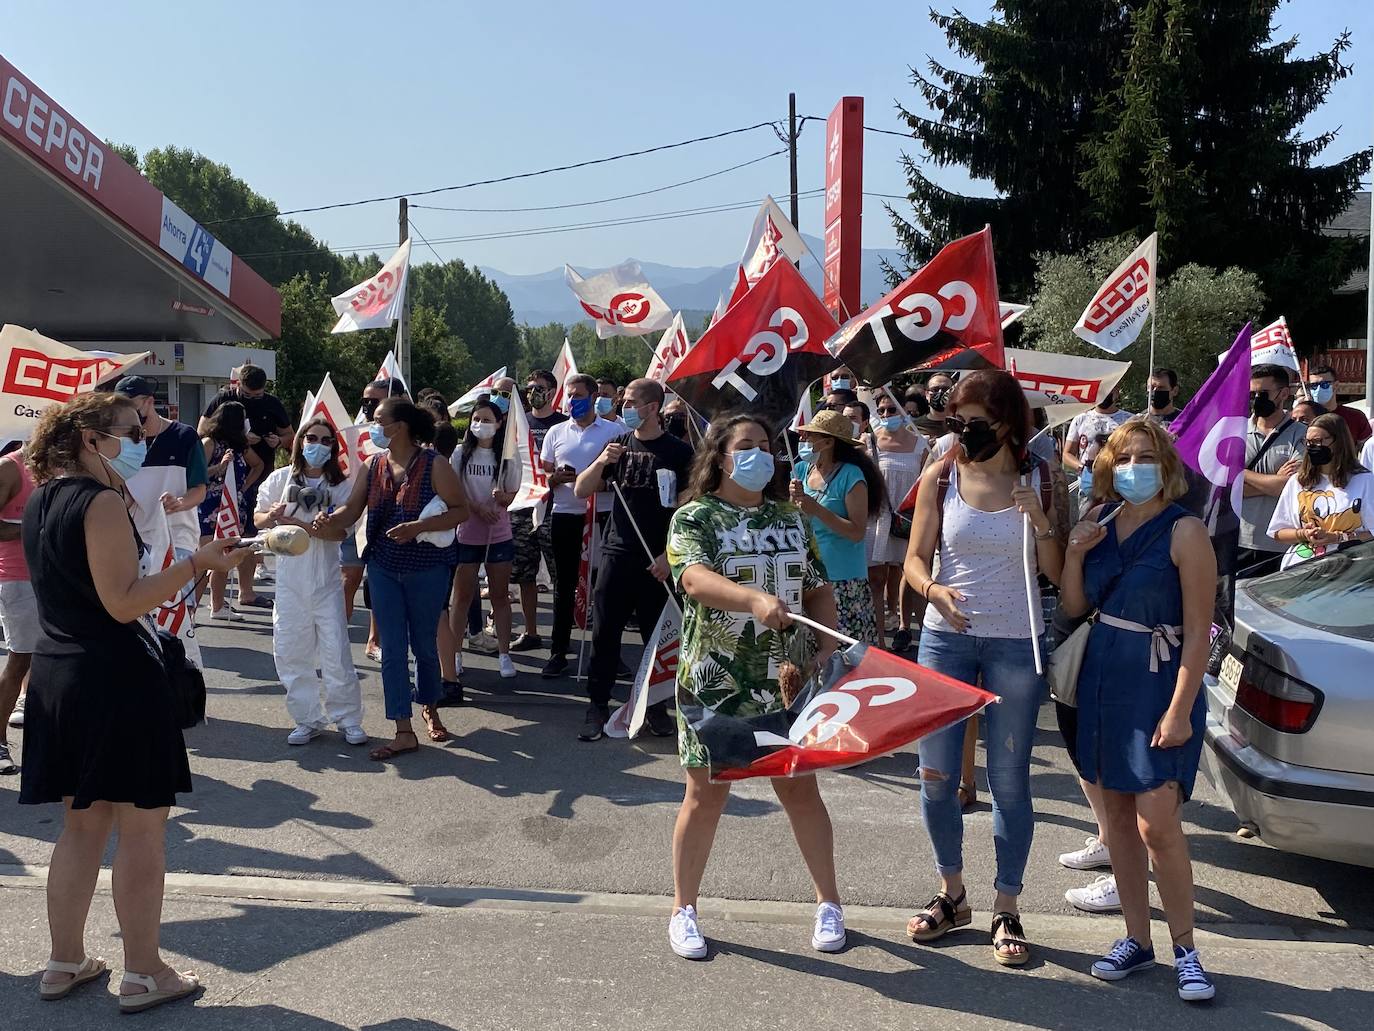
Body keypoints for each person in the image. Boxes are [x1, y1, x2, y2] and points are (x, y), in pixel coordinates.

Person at [18, 391, 242, 1012]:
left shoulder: (41, 499)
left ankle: (64, 960)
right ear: (92, 439)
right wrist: (197, 562)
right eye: (129, 429)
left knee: (81, 824)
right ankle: (144, 972)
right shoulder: (100, 503)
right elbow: (123, 601)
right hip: (113, 676)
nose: (139, 437)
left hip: (58, 672)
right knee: (143, 827)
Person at [902, 370, 1068, 967]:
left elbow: (1053, 570)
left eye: (974, 421)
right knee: (936, 777)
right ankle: (952, 894)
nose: (962, 431)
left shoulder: (1041, 477)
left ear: (1006, 423)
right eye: (956, 420)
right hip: (945, 641)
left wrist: (1040, 519)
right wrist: (933, 591)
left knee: (1010, 780)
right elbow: (915, 561)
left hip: (1015, 644)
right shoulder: (940, 475)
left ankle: (1007, 904)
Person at [664, 414, 845, 960]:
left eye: (766, 445)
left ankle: (829, 903)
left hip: (786, 683)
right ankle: (683, 909)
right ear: (720, 457)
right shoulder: (696, 516)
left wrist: (828, 647)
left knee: (800, 791)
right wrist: (753, 600)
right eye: (746, 446)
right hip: (716, 679)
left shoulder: (790, 518)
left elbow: (815, 586)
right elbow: (693, 577)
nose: (760, 455)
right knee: (707, 794)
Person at [1058, 418, 1219, 1002]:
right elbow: (1076, 605)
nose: (1134, 468)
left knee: (1158, 824)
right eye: (1124, 458)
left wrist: (1179, 712)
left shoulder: (1186, 532)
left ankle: (1187, 949)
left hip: (1158, 683)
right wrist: (1074, 554)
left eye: (1146, 456)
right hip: (1103, 676)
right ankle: (1137, 939)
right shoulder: (1099, 523)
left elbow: (1200, 633)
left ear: (1168, 465)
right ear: (1107, 466)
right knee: (1119, 822)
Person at [315, 398, 469, 761]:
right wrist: (329, 519)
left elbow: (461, 510)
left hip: (427, 568)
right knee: (393, 651)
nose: (371, 423)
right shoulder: (373, 464)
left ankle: (429, 705)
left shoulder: (436, 464)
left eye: (377, 419)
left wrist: (420, 526)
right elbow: (352, 509)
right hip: (383, 566)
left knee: (425, 646)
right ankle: (403, 728)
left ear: (398, 426)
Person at [574, 378, 693, 741]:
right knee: (605, 633)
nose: (622, 407)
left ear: (652, 407)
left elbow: (690, 505)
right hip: (617, 552)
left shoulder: (679, 452)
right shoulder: (618, 445)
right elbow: (581, 488)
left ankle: (655, 706)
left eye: (630, 401)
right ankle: (597, 705)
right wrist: (602, 464)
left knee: (657, 637)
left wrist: (667, 556)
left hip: (658, 560)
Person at [255, 419, 365, 747]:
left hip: (327, 581)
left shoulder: (342, 487)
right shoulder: (279, 479)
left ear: (333, 447)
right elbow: (258, 518)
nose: (317, 445)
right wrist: (275, 517)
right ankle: (306, 718)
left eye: (325, 440)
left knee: (336, 652)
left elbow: (340, 533)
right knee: (290, 651)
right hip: (289, 581)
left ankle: (347, 719)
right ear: (301, 441)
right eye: (311, 438)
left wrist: (306, 526)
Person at [538, 373, 622, 678]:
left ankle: (609, 654)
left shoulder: (614, 431)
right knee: (565, 585)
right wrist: (555, 479)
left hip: (604, 515)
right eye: (569, 396)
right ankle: (558, 651)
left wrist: (596, 484)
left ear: (593, 396)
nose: (572, 401)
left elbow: (623, 476)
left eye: (578, 395)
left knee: (606, 587)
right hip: (565, 514)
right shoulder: (556, 433)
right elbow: (541, 476)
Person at [198, 364, 291, 609]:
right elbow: (200, 433)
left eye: (258, 395)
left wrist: (278, 441)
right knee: (212, 547)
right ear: (239, 385)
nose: (254, 399)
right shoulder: (222, 401)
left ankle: (245, 592)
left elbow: (288, 438)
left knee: (246, 539)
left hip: (247, 488)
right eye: (249, 395)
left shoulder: (272, 404)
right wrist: (224, 459)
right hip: (213, 496)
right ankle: (205, 604)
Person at [791, 410, 884, 644]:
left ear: (828, 441)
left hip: (843, 582)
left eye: (810, 436)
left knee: (845, 655)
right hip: (808, 578)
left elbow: (856, 532)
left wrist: (817, 509)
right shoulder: (801, 471)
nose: (803, 441)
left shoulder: (851, 475)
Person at [449, 398, 521, 683]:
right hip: (467, 533)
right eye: (476, 419)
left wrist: (503, 499)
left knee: (500, 596)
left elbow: (514, 493)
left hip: (499, 534)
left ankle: (504, 654)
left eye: (487, 420)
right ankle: (454, 654)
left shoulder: (507, 457)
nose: (480, 425)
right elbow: (453, 491)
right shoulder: (459, 454)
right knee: (463, 596)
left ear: (499, 423)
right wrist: (476, 508)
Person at [508, 369, 569, 652]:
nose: (533, 392)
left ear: (553, 392)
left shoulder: (563, 425)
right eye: (530, 387)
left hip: (555, 507)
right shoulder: (518, 425)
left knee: (560, 576)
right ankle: (531, 632)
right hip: (522, 508)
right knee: (524, 574)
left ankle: (561, 635)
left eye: (540, 387)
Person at [1267, 413, 1374, 568]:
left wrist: (1337, 537)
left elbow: (1371, 532)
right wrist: (1304, 534)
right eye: (1308, 442)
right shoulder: (1298, 481)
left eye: (1317, 441)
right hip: (1302, 567)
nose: (1312, 447)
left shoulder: (1364, 480)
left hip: (1350, 570)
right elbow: (1277, 531)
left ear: (1338, 441)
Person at [865, 394, 929, 650]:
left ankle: (926, 636)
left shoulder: (921, 445)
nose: (886, 414)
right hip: (877, 519)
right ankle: (880, 641)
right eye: (881, 411)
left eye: (892, 409)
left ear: (904, 412)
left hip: (908, 518)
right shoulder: (869, 442)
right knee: (877, 580)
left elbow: (927, 485)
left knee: (914, 576)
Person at [351, 379, 404, 660]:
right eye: (365, 402)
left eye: (375, 402)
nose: (369, 408)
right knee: (362, 581)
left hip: (408, 542)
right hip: (368, 528)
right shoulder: (363, 438)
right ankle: (373, 639)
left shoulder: (421, 454)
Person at [196, 402, 265, 619]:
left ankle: (217, 606)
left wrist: (243, 487)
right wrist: (219, 467)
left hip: (233, 508)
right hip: (210, 507)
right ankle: (188, 613)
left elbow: (259, 465)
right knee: (205, 560)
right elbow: (197, 474)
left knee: (224, 559)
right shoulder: (209, 443)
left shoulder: (240, 446)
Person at [1237, 365, 1304, 578]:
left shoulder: (1301, 434)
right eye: (1253, 394)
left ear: (1284, 393)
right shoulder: (1236, 432)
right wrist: (1273, 482)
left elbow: (1290, 486)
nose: (1257, 399)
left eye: (1263, 394)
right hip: (1239, 539)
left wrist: (1241, 472)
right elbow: (1227, 486)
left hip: (1280, 544)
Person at [117, 376, 208, 517]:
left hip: (178, 532)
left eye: (131, 408)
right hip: (136, 532)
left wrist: (179, 503)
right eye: (120, 410)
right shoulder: (119, 440)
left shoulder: (184, 436)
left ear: (150, 401)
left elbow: (199, 489)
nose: (126, 415)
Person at [0, 444, 37, 775]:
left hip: (61, 579)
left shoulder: (68, 465)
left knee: (60, 661)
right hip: (19, 578)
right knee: (20, 660)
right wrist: (38, 528)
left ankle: (50, 747)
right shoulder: (10, 467)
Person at [1065, 390, 1133, 512]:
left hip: (1120, 489)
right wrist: (1083, 468)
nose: (1103, 394)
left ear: (1117, 392)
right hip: (1088, 489)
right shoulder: (1081, 419)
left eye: (1108, 390)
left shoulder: (1130, 421)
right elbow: (1067, 454)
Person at [1305, 365, 1371, 445]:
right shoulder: (1303, 418)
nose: (1319, 389)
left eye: (1324, 384)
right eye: (1314, 385)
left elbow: (1367, 449)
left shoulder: (1356, 417)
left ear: (1336, 385)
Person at [915, 371, 955, 444]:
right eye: (935, 390)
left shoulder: (960, 425)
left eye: (945, 389)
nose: (940, 393)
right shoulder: (914, 428)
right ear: (927, 394)